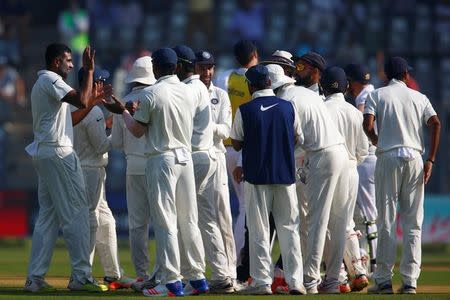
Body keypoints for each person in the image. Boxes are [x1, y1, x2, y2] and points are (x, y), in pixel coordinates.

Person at [103, 48, 207, 297]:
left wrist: (124, 111)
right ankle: (198, 277)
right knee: (189, 219)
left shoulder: (151, 94)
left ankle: (171, 282)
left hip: (162, 159)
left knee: (165, 221)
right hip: (185, 158)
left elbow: (137, 131)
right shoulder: (188, 91)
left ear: (157, 68)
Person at [25, 43, 107, 292]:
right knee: (78, 212)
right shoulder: (51, 80)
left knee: (48, 218)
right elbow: (81, 100)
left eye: (73, 62)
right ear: (55, 62)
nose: (71, 66)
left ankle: (35, 279)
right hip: (59, 153)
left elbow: (72, 116)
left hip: (45, 153)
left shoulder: (44, 83)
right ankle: (81, 276)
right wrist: (89, 71)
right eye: (68, 61)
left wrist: (93, 101)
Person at [266, 63, 348, 294]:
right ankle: (332, 281)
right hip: (340, 153)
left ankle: (310, 280)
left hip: (321, 155)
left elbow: (294, 137)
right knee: (337, 222)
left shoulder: (286, 101)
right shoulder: (303, 92)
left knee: (315, 221)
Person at [364, 57, 441, 294]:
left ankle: (384, 281)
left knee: (386, 220)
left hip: (387, 158)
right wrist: (430, 160)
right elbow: (435, 123)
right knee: (412, 223)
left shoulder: (376, 95)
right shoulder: (419, 97)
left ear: (387, 75)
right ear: (406, 75)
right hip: (414, 159)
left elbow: (367, 126)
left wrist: (378, 142)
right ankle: (410, 282)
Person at [230, 65, 304, 295]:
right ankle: (295, 282)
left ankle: (262, 282)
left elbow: (236, 142)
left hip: (256, 176)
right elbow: (298, 138)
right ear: (270, 83)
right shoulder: (288, 107)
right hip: (285, 176)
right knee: (289, 229)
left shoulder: (245, 109)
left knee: (259, 229)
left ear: (251, 86)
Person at [73, 67, 134, 290]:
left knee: (106, 220)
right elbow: (101, 145)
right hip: (90, 170)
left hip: (84, 168)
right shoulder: (94, 111)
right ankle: (82, 275)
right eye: (103, 82)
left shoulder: (75, 105)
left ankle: (112, 274)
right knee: (90, 221)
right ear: (94, 84)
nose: (106, 86)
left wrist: (109, 124)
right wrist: (120, 130)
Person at [110, 56, 160, 291]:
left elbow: (118, 143)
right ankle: (164, 272)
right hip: (155, 163)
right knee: (162, 221)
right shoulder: (158, 97)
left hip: (133, 167)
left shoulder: (125, 102)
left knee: (138, 224)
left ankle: (142, 274)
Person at [320, 66, 369, 293]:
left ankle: (339, 276)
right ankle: (358, 270)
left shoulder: (322, 109)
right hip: (351, 169)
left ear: (322, 85)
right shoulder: (354, 112)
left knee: (328, 224)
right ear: (347, 86)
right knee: (346, 222)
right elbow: (363, 151)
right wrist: (352, 163)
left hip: (328, 169)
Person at [194, 49, 238, 293]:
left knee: (223, 216)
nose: (207, 72)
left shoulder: (220, 95)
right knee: (200, 218)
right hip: (197, 159)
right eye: (202, 67)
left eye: (210, 67)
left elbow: (226, 130)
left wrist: (204, 126)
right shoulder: (189, 92)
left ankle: (229, 271)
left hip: (218, 157)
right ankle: (206, 271)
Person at [214, 40, 258, 280]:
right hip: (244, 147)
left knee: (231, 205)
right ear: (255, 55)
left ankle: (234, 258)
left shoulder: (224, 77)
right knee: (245, 207)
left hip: (224, 146)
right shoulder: (257, 78)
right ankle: (238, 259)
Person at [345, 63, 378, 276]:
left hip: (368, 158)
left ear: (354, 82)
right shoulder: (372, 91)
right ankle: (366, 262)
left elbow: (360, 121)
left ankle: (375, 265)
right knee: (363, 216)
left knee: (368, 215)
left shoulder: (364, 97)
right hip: (373, 158)